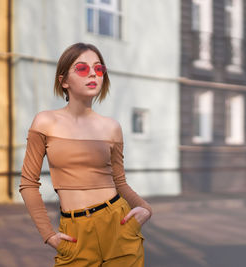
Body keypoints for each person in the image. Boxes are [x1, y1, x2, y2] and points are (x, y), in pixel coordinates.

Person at [19, 42, 152, 267]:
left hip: (118, 226)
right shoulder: (45, 121)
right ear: (64, 81)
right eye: (82, 68)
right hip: (75, 234)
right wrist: (49, 235)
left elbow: (119, 181)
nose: (93, 73)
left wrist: (146, 209)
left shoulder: (111, 127)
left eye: (98, 69)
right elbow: (28, 183)